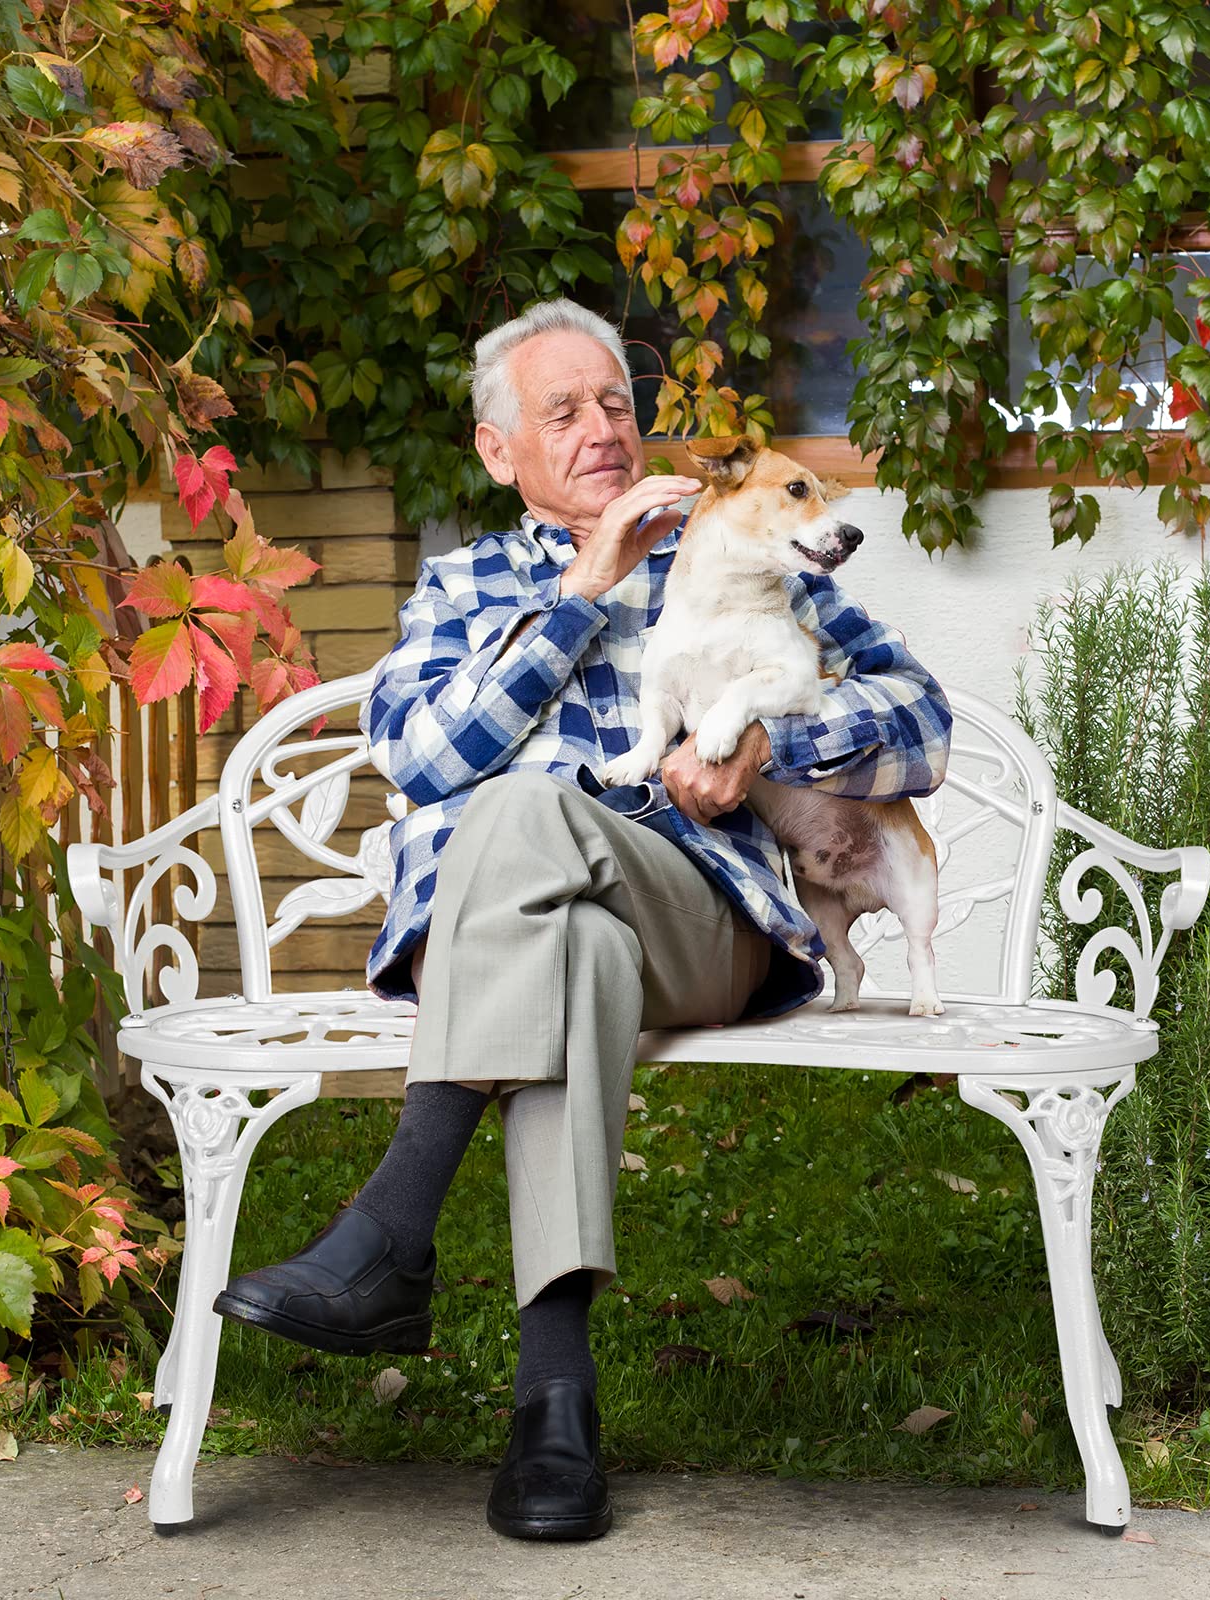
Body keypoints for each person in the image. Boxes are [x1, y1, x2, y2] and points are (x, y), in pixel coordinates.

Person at [212, 297, 953, 1541]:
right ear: (501, 451)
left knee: (523, 818)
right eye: (563, 410)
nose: (603, 428)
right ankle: (554, 1409)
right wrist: (580, 595)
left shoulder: (736, 540)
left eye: (614, 401)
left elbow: (920, 719)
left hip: (702, 913)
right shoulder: (465, 581)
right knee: (563, 925)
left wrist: (776, 736)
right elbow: (423, 756)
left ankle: (391, 1231)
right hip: (546, 943)